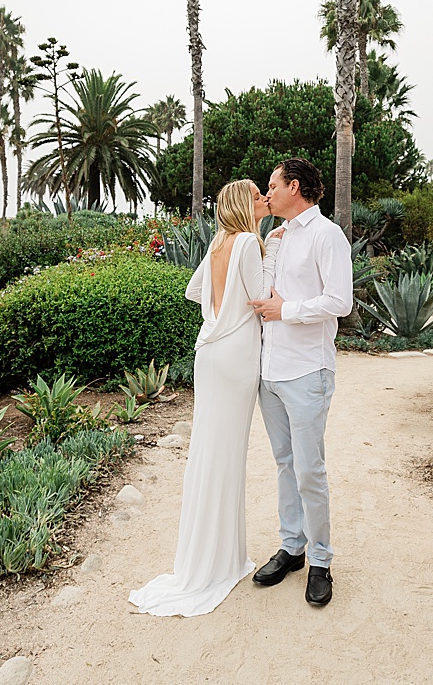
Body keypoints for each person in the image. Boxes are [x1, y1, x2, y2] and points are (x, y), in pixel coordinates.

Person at [129, 179, 281, 617]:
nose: (263, 200)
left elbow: (196, 292)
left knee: (209, 451)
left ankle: (210, 558)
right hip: (235, 354)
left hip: (209, 350)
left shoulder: (218, 242)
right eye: (257, 196)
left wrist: (218, 312)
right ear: (243, 205)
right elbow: (262, 298)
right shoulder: (250, 243)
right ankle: (220, 562)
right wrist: (269, 250)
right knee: (226, 454)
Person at [247, 157, 353, 607]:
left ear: (294, 187)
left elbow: (340, 301)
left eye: (272, 185)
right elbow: (263, 295)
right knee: (285, 464)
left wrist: (285, 310)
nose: (266, 193)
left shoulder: (327, 235)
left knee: (310, 470)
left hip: (307, 370)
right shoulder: (276, 236)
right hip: (270, 372)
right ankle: (292, 548)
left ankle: (322, 561)